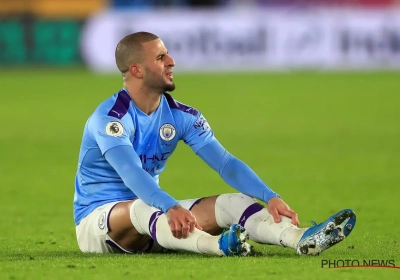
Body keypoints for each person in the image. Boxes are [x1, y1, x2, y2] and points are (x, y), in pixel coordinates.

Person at [74, 31, 356, 256]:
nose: (172, 61)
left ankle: (299, 238)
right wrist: (171, 207)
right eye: (161, 57)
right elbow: (131, 173)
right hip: (98, 226)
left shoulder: (181, 116)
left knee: (235, 202)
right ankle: (217, 246)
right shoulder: (110, 119)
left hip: (155, 221)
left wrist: (269, 195)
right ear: (136, 70)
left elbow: (225, 163)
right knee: (141, 207)